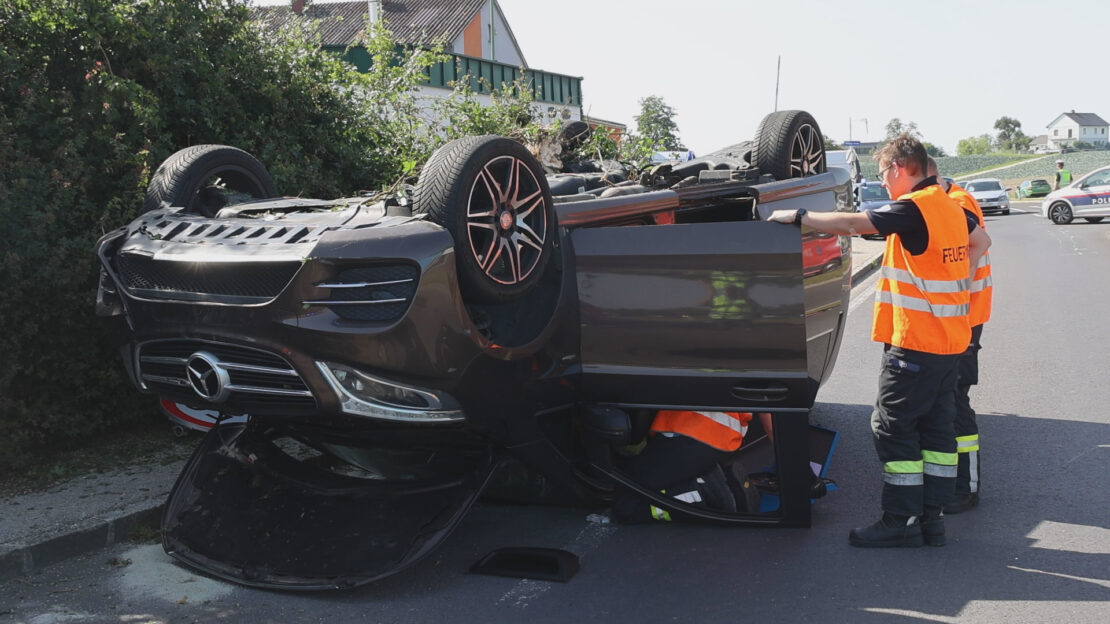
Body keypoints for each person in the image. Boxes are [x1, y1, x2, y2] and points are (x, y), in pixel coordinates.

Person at [766, 134, 991, 548]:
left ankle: (898, 520)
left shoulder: (915, 208)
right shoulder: (952, 207)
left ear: (900, 169)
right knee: (938, 432)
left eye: (884, 175)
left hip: (916, 345)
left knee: (892, 426)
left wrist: (798, 215)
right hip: (950, 344)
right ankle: (932, 519)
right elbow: (982, 243)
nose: (884, 184)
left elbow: (855, 223)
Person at [929, 158, 992, 514]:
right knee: (948, 400)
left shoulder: (956, 204)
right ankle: (953, 480)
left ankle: (965, 486)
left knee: (955, 401)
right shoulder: (953, 198)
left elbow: (975, 248)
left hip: (962, 319)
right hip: (959, 317)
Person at [611, 410, 768, 523]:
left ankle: (706, 496)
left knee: (626, 505)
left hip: (690, 431)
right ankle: (716, 482)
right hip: (724, 437)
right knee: (649, 476)